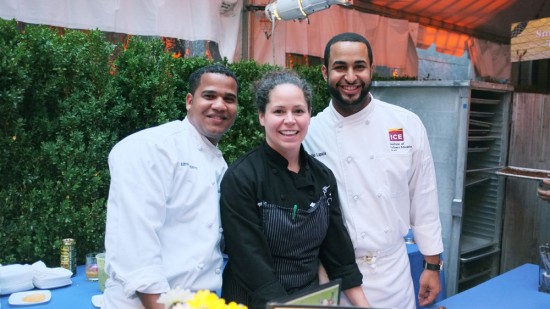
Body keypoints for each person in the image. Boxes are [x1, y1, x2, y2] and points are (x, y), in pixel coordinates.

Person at [303, 32, 444, 309]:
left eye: (359, 66)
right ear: (324, 72)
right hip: (332, 277)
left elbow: (424, 198)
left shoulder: (406, 124)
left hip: (393, 273)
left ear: (371, 69)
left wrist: (432, 264)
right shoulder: (309, 133)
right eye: (340, 67)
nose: (351, 77)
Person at [220, 71, 370, 309]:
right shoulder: (241, 178)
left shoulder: (323, 177)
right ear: (262, 116)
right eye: (279, 111)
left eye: (298, 111)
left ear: (309, 115)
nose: (290, 120)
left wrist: (364, 305)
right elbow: (249, 259)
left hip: (308, 299)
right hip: (252, 300)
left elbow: (338, 253)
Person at [103, 64, 239, 309]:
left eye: (229, 99)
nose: (220, 105)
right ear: (189, 101)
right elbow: (137, 249)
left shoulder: (219, 163)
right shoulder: (151, 147)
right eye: (209, 96)